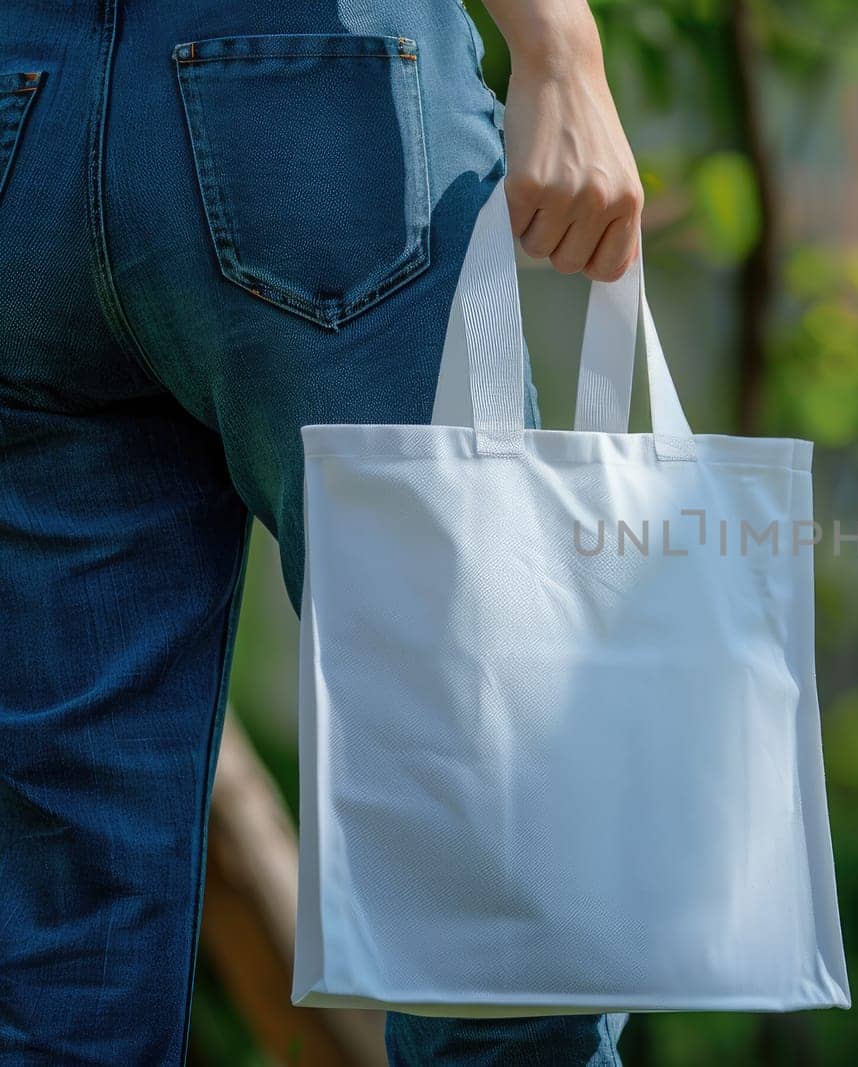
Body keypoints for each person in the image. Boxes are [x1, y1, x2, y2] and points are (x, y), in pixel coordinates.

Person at [0, 0, 640, 1062]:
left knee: (63, 920)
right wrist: (558, 44)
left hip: (22, 108)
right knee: (490, 838)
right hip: (317, 91)